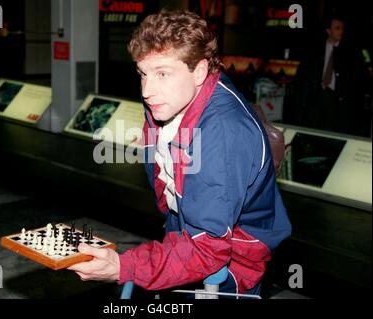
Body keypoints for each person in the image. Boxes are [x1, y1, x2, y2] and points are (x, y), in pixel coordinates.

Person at [68, 10, 292, 298]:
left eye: (162, 73)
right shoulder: (170, 96)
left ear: (199, 71)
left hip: (235, 250)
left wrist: (123, 267)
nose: (147, 90)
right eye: (142, 74)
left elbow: (206, 250)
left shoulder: (222, 134)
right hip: (188, 220)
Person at [292, 15, 369, 136]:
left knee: (332, 130)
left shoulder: (351, 52)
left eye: (342, 28)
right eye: (337, 28)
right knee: (312, 128)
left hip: (338, 99)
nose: (341, 31)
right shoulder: (316, 49)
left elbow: (360, 77)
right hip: (316, 95)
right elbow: (304, 72)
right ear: (328, 31)